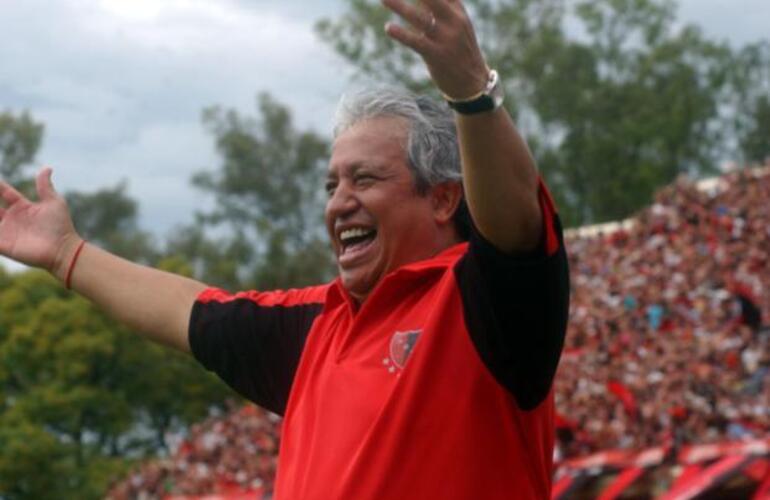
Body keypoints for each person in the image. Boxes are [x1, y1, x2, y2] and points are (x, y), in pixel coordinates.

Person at [0, 0, 569, 498]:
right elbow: (187, 310)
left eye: (364, 180)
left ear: (444, 199)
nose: (338, 203)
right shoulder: (317, 328)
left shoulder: (487, 302)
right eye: (331, 185)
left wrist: (470, 94)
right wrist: (64, 253)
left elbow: (513, 221)